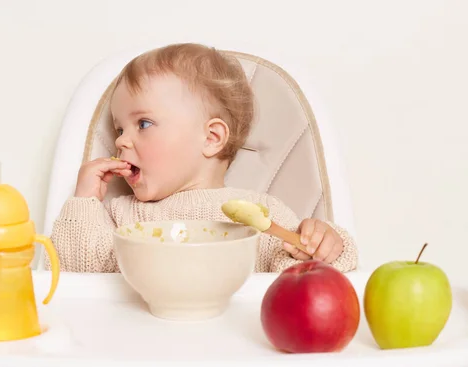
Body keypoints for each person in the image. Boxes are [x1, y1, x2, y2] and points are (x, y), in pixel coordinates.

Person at [47, 43, 358, 273]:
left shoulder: (260, 216)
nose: (120, 140)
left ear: (211, 138)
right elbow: (74, 275)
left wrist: (322, 246)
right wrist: (85, 202)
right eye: (118, 128)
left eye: (143, 124)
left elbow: (309, 279)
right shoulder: (120, 217)